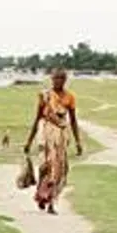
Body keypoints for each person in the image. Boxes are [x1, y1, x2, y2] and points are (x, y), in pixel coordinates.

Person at [24, 68, 83, 214]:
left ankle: (51, 203)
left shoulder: (70, 97)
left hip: (61, 136)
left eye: (61, 78)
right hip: (46, 134)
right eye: (55, 78)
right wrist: (29, 141)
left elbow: (73, 121)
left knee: (59, 170)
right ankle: (41, 195)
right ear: (51, 79)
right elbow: (37, 118)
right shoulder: (45, 96)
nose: (58, 81)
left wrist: (78, 142)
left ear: (65, 80)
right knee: (45, 166)